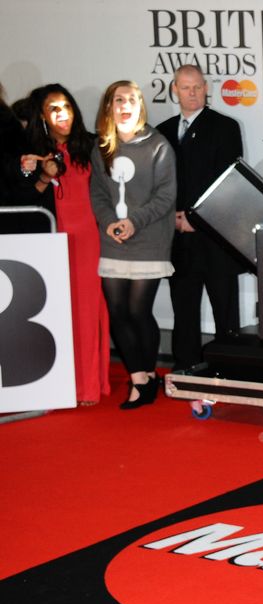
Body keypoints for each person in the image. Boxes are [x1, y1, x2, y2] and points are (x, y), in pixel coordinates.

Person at [15, 84, 110, 405]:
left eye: (66, 106)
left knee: (86, 312)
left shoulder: (93, 145)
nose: (62, 114)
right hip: (50, 244)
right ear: (42, 115)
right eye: (53, 108)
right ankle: (56, 384)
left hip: (88, 241)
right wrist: (41, 175)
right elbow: (19, 200)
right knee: (56, 314)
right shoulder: (30, 153)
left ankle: (87, 386)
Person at [90, 80, 176, 409]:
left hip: (149, 240)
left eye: (131, 100)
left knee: (139, 311)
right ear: (109, 107)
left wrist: (133, 222)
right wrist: (109, 222)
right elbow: (97, 193)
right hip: (113, 240)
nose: (125, 106)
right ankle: (139, 377)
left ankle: (149, 374)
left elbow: (166, 196)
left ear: (140, 106)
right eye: (118, 100)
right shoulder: (101, 147)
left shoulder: (158, 146)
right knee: (117, 312)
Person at [155, 65, 244, 373]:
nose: (191, 93)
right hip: (177, 238)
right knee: (184, 308)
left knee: (225, 309)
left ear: (207, 89)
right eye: (184, 87)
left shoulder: (225, 127)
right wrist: (173, 219)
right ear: (174, 90)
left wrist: (198, 219)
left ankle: (231, 369)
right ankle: (186, 367)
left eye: (196, 87)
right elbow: (157, 186)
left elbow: (229, 182)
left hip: (216, 237)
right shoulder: (162, 131)